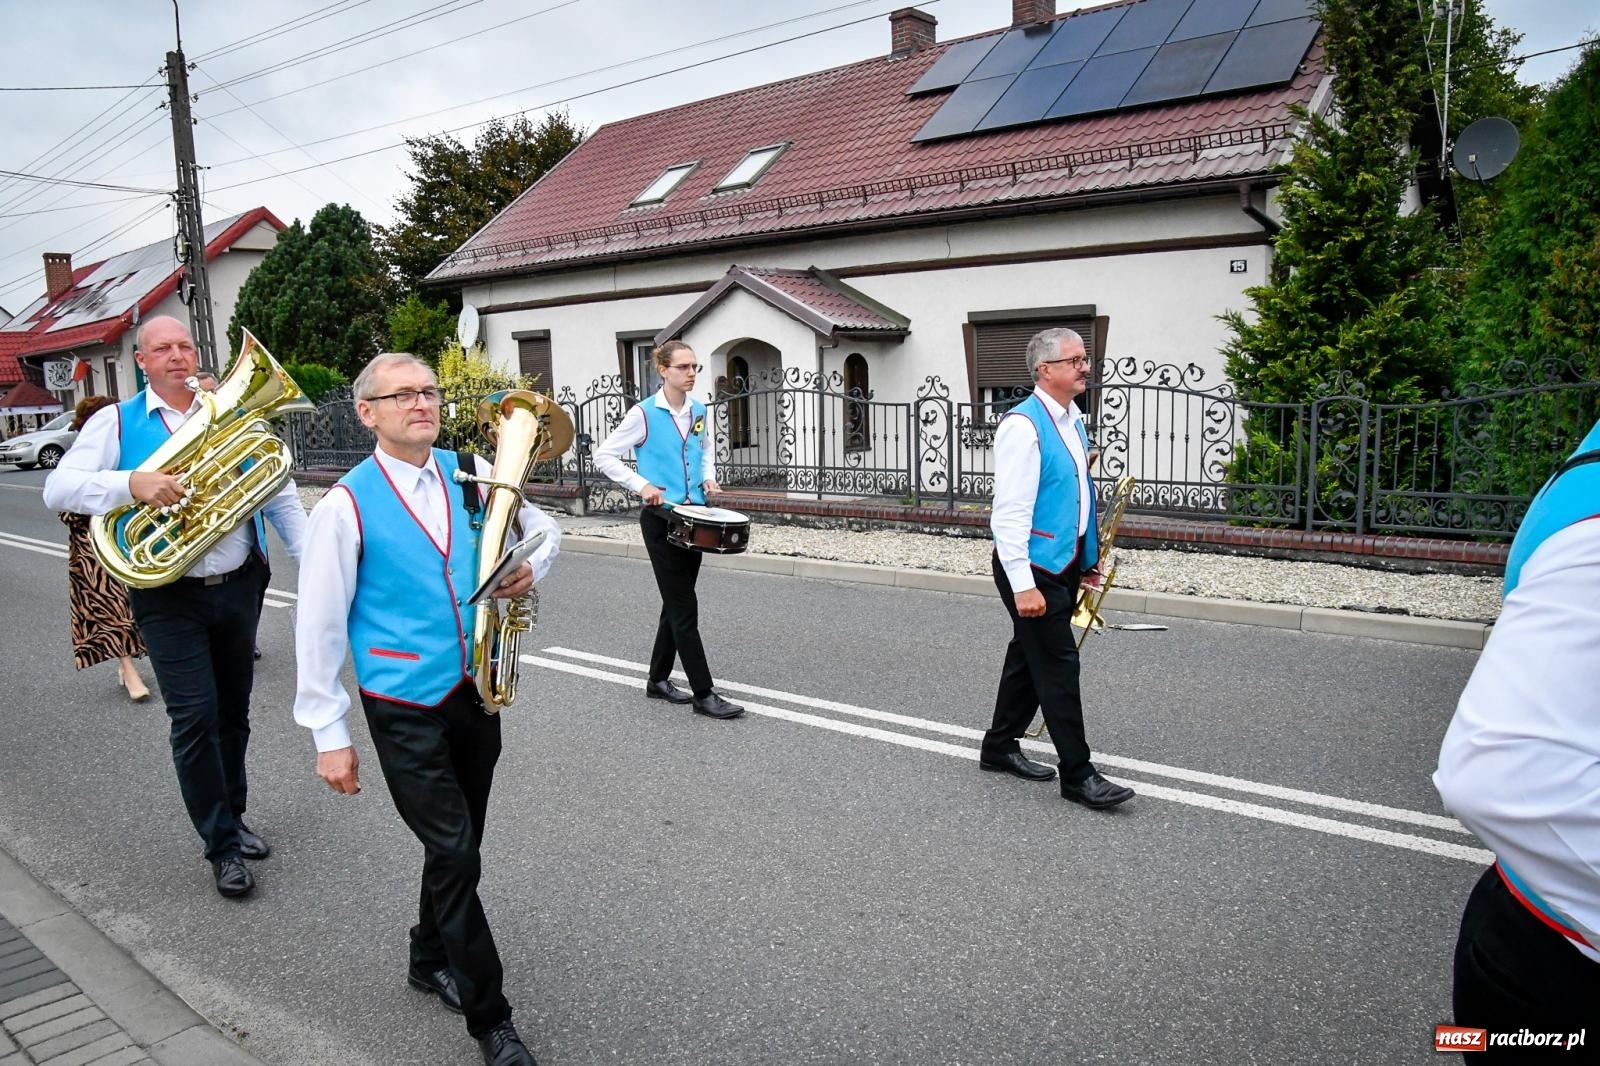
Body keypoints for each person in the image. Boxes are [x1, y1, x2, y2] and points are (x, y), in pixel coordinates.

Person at [294, 352, 560, 1066]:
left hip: (475, 687)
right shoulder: (345, 504)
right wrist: (328, 732)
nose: (421, 402)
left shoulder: (472, 468)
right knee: (455, 850)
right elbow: (317, 625)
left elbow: (542, 527)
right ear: (367, 412)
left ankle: (424, 956)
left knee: (458, 845)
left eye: (429, 391)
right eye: (402, 394)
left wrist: (532, 563)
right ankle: (491, 1019)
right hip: (402, 700)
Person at [42, 315, 307, 898]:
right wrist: (131, 483)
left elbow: (280, 496)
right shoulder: (115, 421)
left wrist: (319, 579)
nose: (177, 355)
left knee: (233, 713)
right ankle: (221, 848)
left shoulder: (228, 412)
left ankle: (233, 818)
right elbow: (58, 489)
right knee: (194, 718)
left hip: (239, 584)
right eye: (162, 348)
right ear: (142, 360)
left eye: (185, 345)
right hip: (166, 593)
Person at [1434, 416, 1600, 1044]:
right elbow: (1504, 771)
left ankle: (1092, 762)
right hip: (1552, 970)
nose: (1094, 364)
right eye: (1092, 358)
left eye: (1094, 357)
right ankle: (1092, 764)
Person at [981, 328, 1134, 810]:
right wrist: (1024, 585)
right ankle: (1078, 773)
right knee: (1059, 664)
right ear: (1045, 370)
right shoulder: (1022, 426)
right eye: (1074, 360)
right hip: (1031, 566)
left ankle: (999, 745)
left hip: (1062, 564)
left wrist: (1087, 559)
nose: (1085, 367)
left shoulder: (1071, 420)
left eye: (1085, 359)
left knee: (1029, 658)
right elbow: (1008, 515)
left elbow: (1078, 497)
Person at [593, 340, 744, 720]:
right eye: (683, 367)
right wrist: (641, 485)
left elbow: (703, 449)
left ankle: (657, 679)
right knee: (684, 605)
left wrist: (709, 479)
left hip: (695, 517)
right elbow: (604, 455)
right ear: (663, 370)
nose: (691, 373)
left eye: (695, 367)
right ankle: (704, 693)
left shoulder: (697, 410)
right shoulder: (643, 414)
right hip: (662, 520)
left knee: (677, 599)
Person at [57, 395, 150, 701]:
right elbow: (64, 507)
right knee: (112, 608)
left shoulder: (124, 452)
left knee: (137, 605)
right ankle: (129, 668)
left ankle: (128, 666)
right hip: (92, 547)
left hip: (130, 541)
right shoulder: (79, 461)